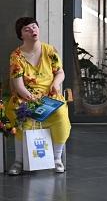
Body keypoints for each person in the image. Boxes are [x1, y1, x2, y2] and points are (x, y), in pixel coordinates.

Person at [6, 17, 71, 175]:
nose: (32, 30)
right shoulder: (16, 56)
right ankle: (19, 161)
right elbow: (18, 85)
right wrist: (30, 97)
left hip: (50, 96)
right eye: (27, 29)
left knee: (60, 115)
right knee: (23, 118)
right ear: (21, 35)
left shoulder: (50, 50)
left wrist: (56, 84)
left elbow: (60, 72)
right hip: (26, 96)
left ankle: (56, 158)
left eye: (34, 27)